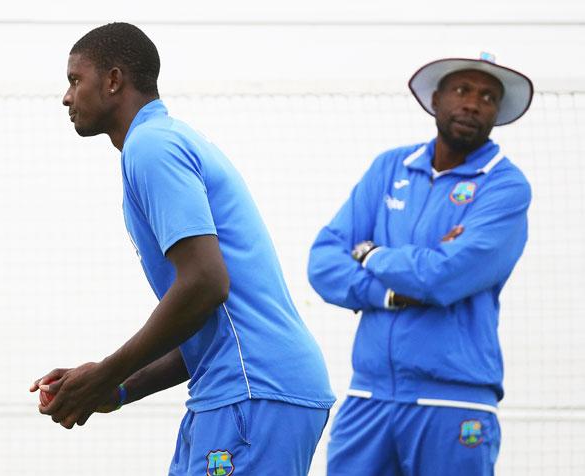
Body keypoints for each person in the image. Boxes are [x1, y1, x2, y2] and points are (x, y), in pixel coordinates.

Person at [29, 22, 334, 475]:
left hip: (253, 391)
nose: (67, 96)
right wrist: (116, 389)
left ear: (113, 81)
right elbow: (203, 325)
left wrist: (107, 373)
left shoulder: (152, 147)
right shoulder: (162, 142)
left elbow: (206, 285)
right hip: (235, 392)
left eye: (76, 79)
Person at [308, 53, 533, 475]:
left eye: (487, 96)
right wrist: (386, 293)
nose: (472, 103)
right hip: (368, 397)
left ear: (496, 112)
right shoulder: (390, 166)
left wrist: (371, 253)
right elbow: (323, 261)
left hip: (454, 399)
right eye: (462, 90)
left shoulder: (506, 186)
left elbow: (440, 276)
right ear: (436, 99)